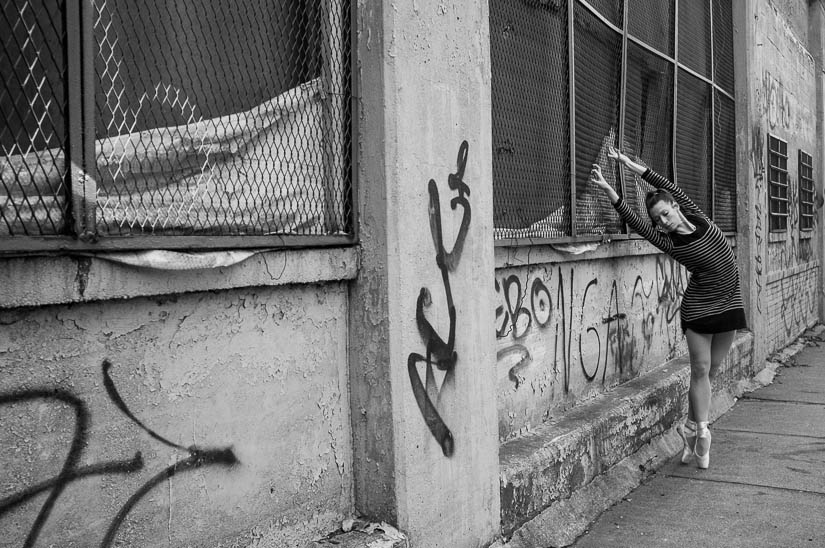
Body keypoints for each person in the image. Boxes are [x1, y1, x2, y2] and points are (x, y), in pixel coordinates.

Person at [590, 147, 746, 469]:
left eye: (666, 213)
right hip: (700, 309)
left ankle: (689, 429)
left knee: (713, 371)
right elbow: (636, 221)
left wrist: (634, 167)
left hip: (729, 302)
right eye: (659, 219)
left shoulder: (698, 216)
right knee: (701, 371)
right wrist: (610, 191)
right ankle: (702, 435)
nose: (664, 220)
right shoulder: (670, 242)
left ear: (676, 207)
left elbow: (667, 184)